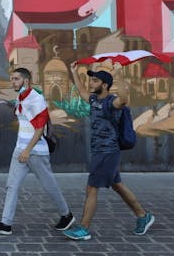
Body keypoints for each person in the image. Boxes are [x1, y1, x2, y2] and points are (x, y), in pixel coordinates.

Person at [63, 63, 155, 241]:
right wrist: (73, 72)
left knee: (91, 187)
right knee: (117, 185)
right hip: (99, 150)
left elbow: (124, 99)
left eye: (95, 81)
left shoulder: (111, 102)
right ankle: (143, 216)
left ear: (104, 85)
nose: (91, 83)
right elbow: (82, 92)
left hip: (107, 151)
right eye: (91, 80)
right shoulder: (94, 100)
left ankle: (84, 228)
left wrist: (119, 75)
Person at [0, 68, 75, 235]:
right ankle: (6, 224)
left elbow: (40, 128)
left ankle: (67, 215)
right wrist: (23, 149)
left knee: (49, 186)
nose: (12, 82)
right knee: (12, 186)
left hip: (35, 152)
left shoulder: (35, 99)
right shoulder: (21, 97)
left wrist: (27, 151)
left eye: (16, 79)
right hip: (20, 149)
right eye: (11, 78)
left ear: (26, 81)